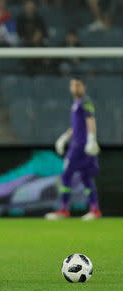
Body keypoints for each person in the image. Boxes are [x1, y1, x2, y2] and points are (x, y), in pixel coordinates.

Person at [45, 78, 102, 221]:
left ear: (84, 86)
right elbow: (76, 126)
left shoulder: (85, 101)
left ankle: (64, 209)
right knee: (85, 176)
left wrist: (91, 139)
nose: (76, 87)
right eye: (73, 85)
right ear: (70, 87)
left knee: (66, 175)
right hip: (79, 144)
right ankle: (95, 210)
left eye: (79, 84)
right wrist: (64, 137)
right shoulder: (76, 104)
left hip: (80, 146)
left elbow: (91, 120)